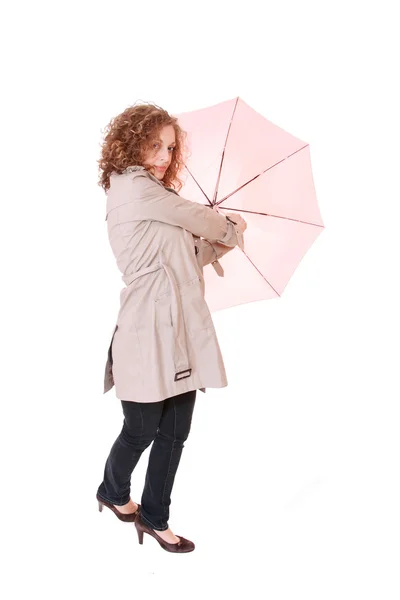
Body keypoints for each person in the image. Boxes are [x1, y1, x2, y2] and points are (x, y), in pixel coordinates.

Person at [96, 101, 247, 553]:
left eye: (170, 147)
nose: (163, 156)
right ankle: (112, 491)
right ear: (130, 142)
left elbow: (186, 255)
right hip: (146, 331)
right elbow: (202, 220)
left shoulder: (158, 199)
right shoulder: (136, 190)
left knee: (176, 432)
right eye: (154, 144)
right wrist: (230, 227)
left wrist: (221, 245)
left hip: (177, 329)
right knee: (141, 429)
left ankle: (155, 516)